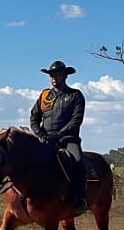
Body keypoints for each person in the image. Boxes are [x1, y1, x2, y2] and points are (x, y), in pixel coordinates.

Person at [30, 60, 87, 213]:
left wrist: (59, 135)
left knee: (78, 161)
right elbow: (34, 117)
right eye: (51, 75)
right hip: (44, 139)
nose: (53, 77)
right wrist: (40, 133)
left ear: (65, 76)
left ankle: (78, 199)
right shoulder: (44, 95)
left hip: (68, 140)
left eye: (57, 74)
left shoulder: (75, 95)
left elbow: (76, 121)